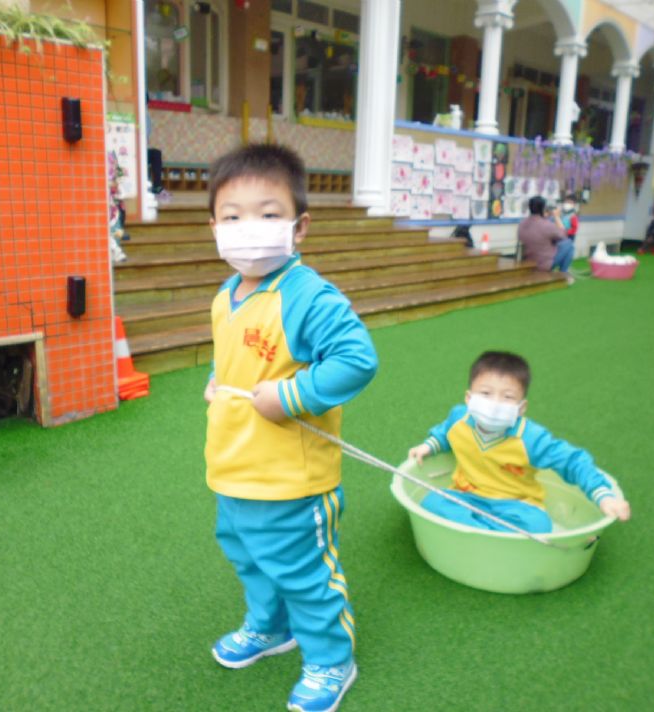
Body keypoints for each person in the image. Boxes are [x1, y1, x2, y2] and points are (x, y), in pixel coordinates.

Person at [203, 143, 378, 712]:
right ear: (214, 228)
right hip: (233, 468)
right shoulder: (226, 294)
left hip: (292, 481)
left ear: (299, 227)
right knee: (249, 559)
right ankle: (270, 626)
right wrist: (216, 379)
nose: (248, 228)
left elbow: (356, 359)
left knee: (305, 574)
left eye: (268, 213)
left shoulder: (307, 295)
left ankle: (331, 659)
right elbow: (233, 357)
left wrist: (292, 395)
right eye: (233, 216)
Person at [407, 351, 631, 533]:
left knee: (538, 525)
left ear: (521, 408)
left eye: (507, 397)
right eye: (485, 393)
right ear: (469, 398)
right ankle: (491, 533)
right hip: (466, 496)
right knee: (432, 501)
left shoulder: (531, 438)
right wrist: (429, 445)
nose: (495, 404)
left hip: (516, 506)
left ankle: (477, 530)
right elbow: (445, 433)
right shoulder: (459, 417)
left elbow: (572, 462)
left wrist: (604, 497)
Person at [518, 196, 575, 285]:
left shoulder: (522, 224)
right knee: (569, 244)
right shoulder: (546, 225)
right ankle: (562, 275)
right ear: (543, 209)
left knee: (557, 244)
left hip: (528, 261)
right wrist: (556, 217)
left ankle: (562, 275)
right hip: (544, 264)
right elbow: (564, 235)